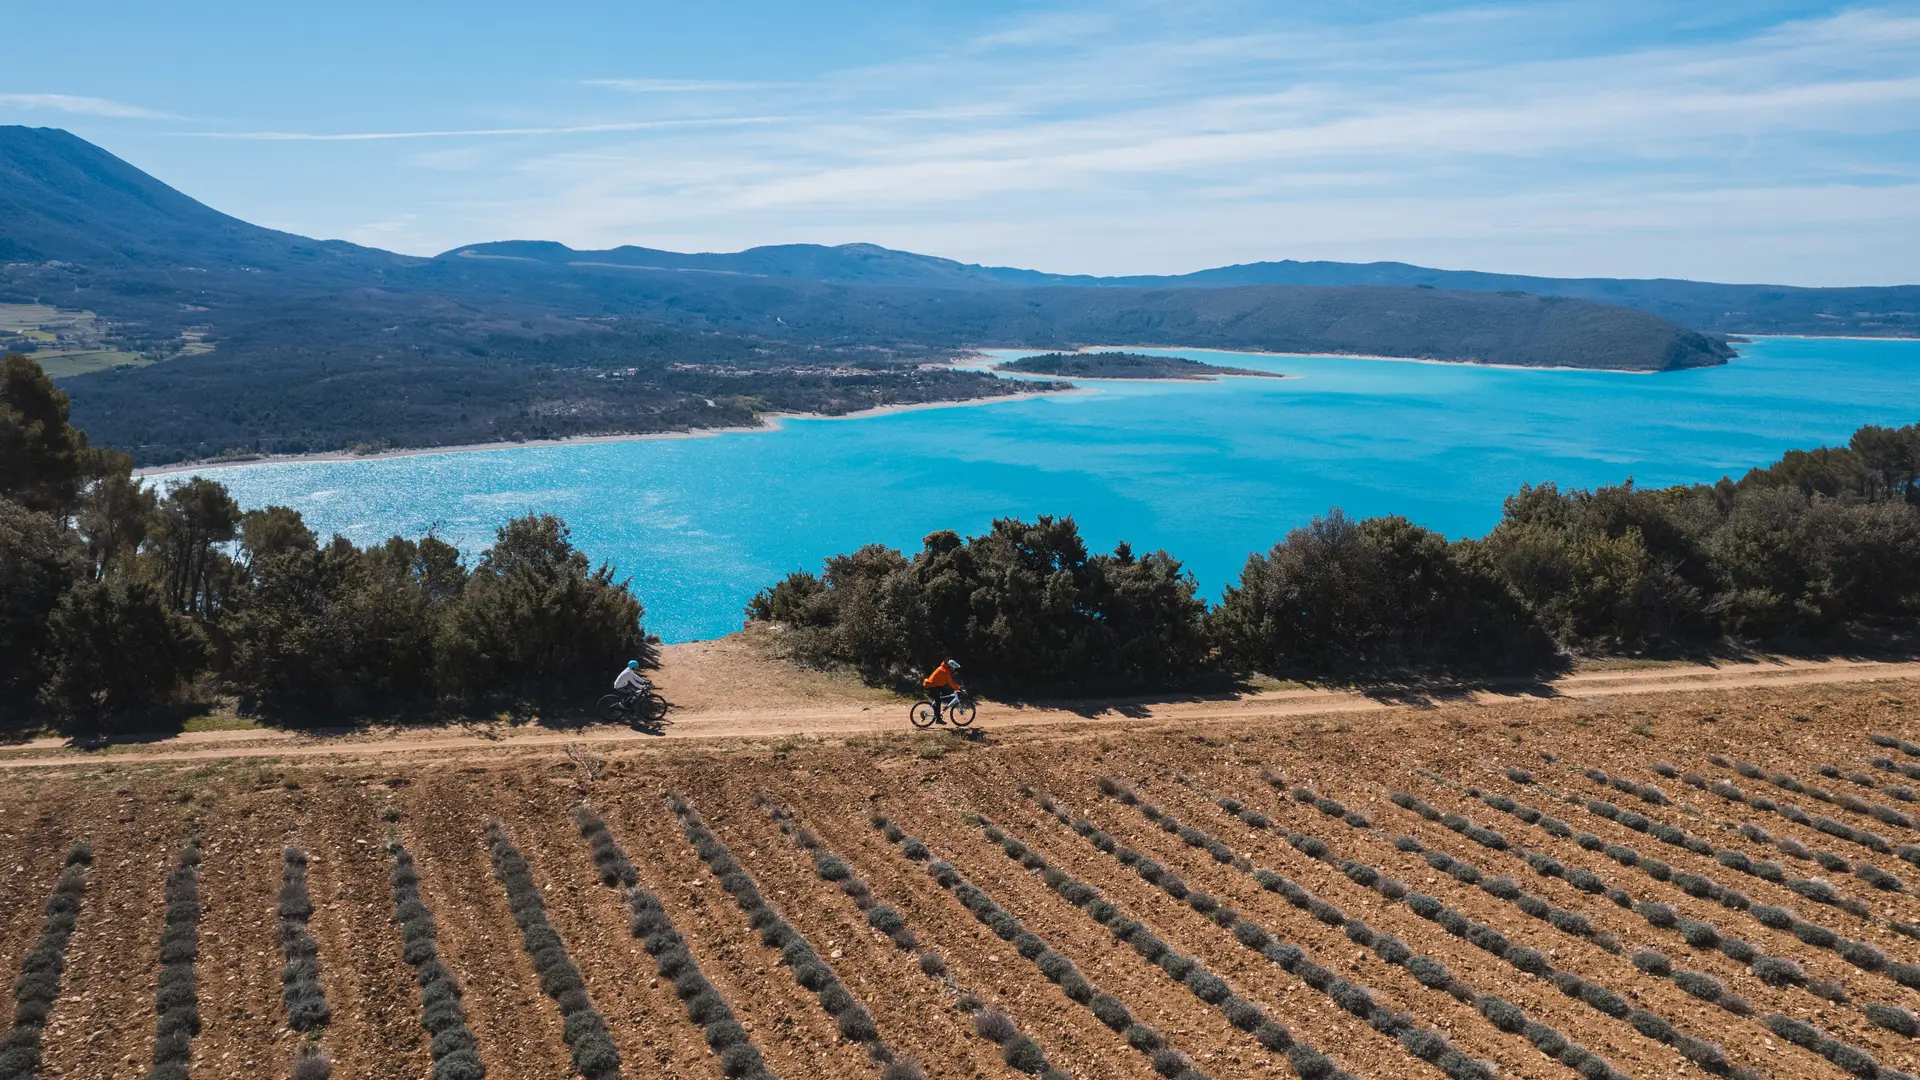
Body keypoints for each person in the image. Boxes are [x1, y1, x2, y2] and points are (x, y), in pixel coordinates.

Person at [921, 659, 963, 724]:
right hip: (932, 686)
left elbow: (944, 681)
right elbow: (951, 683)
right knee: (938, 701)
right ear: (951, 667)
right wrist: (959, 689)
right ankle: (938, 719)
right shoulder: (945, 672)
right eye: (954, 668)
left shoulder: (943, 668)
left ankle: (938, 714)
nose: (954, 670)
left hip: (936, 685)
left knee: (941, 696)